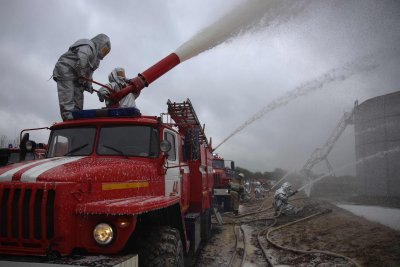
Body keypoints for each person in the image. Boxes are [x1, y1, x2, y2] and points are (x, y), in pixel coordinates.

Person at [53, 34, 111, 120]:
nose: (103, 52)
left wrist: (89, 84)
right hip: (66, 69)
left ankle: (77, 115)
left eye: (106, 52)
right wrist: (82, 76)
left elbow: (90, 72)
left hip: (77, 75)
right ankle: (68, 115)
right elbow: (82, 60)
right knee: (67, 93)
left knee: (79, 95)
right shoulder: (88, 45)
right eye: (104, 49)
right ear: (100, 43)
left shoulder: (96, 59)